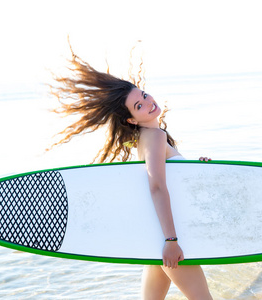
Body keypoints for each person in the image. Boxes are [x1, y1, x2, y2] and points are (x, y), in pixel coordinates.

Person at [49, 46, 213, 300]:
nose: (148, 102)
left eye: (145, 95)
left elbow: (172, 183)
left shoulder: (148, 139)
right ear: (132, 120)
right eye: (139, 105)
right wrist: (171, 240)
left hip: (156, 238)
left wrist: (195, 170)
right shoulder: (156, 137)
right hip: (169, 237)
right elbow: (156, 186)